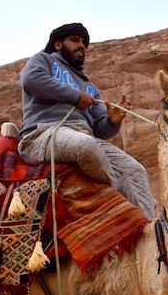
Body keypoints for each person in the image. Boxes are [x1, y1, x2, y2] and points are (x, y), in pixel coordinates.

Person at [18, 22, 156, 219]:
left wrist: (113, 121)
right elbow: (30, 80)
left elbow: (101, 130)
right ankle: (118, 200)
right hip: (44, 133)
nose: (81, 45)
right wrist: (75, 96)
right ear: (58, 44)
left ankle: (149, 232)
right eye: (75, 40)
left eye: (84, 42)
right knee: (86, 146)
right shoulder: (44, 60)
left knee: (135, 170)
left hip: (85, 136)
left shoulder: (89, 87)